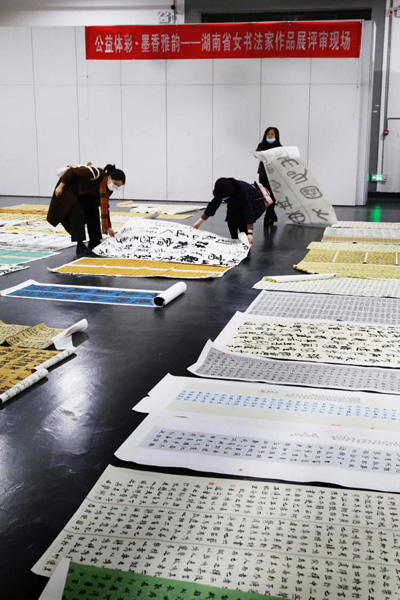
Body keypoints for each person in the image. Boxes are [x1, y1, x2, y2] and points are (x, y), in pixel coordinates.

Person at [47, 163, 126, 254]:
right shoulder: (96, 173)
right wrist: (60, 186)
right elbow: (72, 172)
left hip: (85, 196)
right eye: (115, 184)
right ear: (109, 177)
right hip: (71, 191)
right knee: (77, 214)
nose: (115, 187)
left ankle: (94, 241)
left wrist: (108, 227)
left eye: (118, 187)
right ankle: (80, 245)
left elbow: (105, 207)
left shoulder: (107, 189)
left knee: (94, 212)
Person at [192, 177, 266, 245]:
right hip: (234, 204)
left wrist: (250, 233)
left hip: (254, 203)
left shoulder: (242, 191)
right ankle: (234, 242)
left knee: (242, 224)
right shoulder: (221, 189)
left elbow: (249, 211)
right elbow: (213, 205)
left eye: (224, 197)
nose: (223, 199)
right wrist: (199, 222)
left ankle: (246, 245)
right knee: (231, 221)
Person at [256, 126, 282, 227]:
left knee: (272, 196)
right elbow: (256, 154)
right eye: (268, 134)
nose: (270, 136)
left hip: (274, 175)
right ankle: (272, 214)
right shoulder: (262, 145)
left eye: (272, 134)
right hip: (263, 174)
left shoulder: (279, 147)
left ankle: (267, 216)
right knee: (265, 195)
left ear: (276, 135)